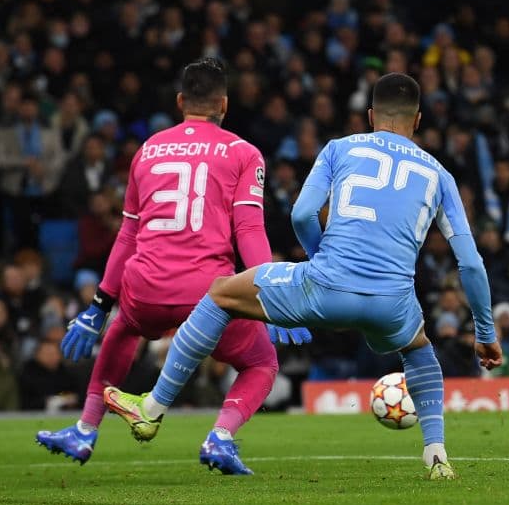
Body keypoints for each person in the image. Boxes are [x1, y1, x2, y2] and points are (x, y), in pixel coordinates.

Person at [103, 73, 503, 479]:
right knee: (419, 352)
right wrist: (485, 333)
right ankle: (437, 456)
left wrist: (320, 260)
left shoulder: (340, 148)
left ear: (370, 115)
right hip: (392, 305)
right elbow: (470, 263)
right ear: (417, 120)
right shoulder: (439, 174)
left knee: (221, 293)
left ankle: (152, 408)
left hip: (324, 286)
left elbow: (301, 214)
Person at [35, 58, 310, 472]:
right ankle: (220, 438)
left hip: (146, 286)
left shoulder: (147, 150)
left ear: (181, 101)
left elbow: (127, 235)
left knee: (123, 327)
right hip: (207, 295)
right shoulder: (243, 152)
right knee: (261, 363)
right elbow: (249, 230)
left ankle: (85, 429)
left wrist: (99, 305)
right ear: (225, 104)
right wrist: (270, 296)